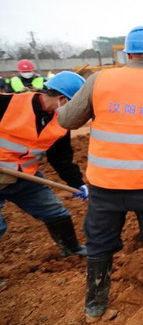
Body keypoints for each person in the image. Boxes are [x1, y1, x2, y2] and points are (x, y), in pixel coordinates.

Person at [57, 26, 143, 322]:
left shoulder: (100, 80)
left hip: (106, 185)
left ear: (128, 54)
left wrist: (63, 106)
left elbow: (67, 120)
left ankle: (95, 304)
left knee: (100, 240)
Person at [0, 71, 88, 257]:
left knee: (55, 212)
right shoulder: (7, 103)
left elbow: (61, 158)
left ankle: (72, 249)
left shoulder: (62, 121)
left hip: (24, 176)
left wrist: (77, 183)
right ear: (63, 99)